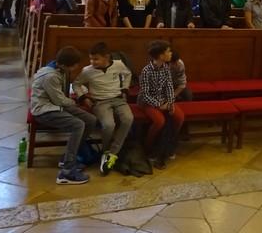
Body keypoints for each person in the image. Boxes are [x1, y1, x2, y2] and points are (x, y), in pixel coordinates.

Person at [30, 46, 97, 185]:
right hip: (44, 110)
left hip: (58, 105)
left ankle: (68, 157)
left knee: (91, 120)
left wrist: (75, 102)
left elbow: (62, 99)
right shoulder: (50, 75)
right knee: (78, 125)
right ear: (64, 65)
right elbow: (59, 100)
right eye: (75, 65)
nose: (77, 67)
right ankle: (67, 172)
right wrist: (75, 101)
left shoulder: (61, 69)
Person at [72, 42, 134, 176]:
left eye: (96, 59)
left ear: (107, 57)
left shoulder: (118, 64)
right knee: (108, 125)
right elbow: (76, 85)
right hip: (101, 102)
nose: (92, 61)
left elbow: (128, 74)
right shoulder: (87, 71)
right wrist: (83, 97)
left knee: (128, 119)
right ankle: (105, 152)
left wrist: (125, 89)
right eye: (91, 59)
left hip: (118, 99)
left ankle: (113, 152)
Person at [138, 40, 185, 170]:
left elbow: (169, 86)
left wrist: (170, 102)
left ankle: (169, 144)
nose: (171, 54)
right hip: (148, 102)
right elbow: (144, 94)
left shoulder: (165, 68)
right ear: (161, 56)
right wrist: (159, 105)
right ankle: (149, 146)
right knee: (159, 121)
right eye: (168, 52)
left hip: (164, 100)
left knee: (179, 117)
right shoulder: (146, 71)